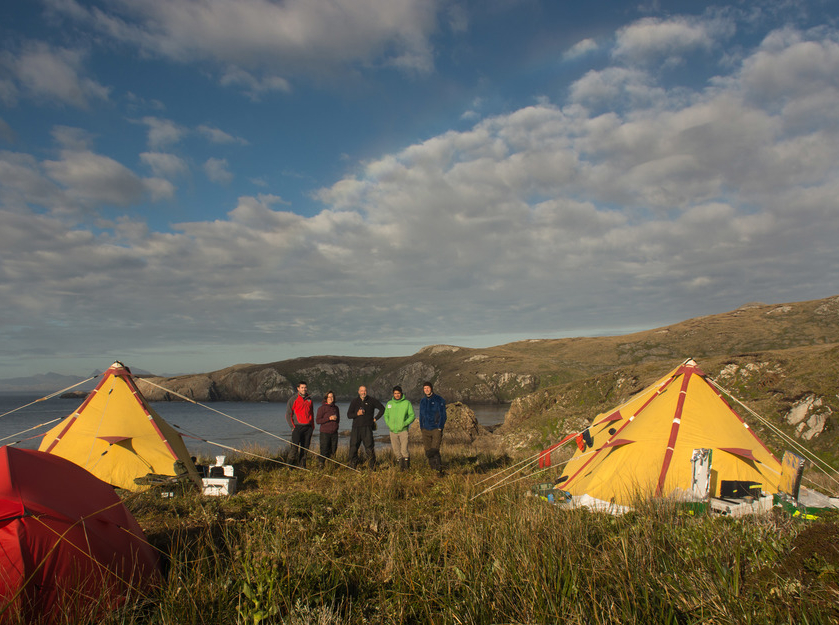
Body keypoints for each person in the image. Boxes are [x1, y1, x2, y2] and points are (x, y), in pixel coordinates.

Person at [346, 385, 385, 469]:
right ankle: (352, 466)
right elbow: (349, 415)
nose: (363, 392)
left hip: (367, 428)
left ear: (366, 391)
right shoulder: (354, 401)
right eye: (361, 391)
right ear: (358, 392)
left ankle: (372, 467)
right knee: (353, 447)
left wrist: (375, 419)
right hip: (356, 428)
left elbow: (382, 409)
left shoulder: (372, 400)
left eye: (365, 391)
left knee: (369, 448)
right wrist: (357, 414)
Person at [382, 385, 415, 470]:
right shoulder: (389, 403)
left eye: (398, 393)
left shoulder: (407, 403)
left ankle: (407, 469)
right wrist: (389, 424)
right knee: (396, 451)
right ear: (393, 394)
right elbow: (386, 415)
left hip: (403, 431)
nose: (397, 395)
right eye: (395, 393)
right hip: (392, 431)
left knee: (404, 450)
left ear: (401, 393)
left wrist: (405, 423)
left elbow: (412, 415)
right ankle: (401, 469)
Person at [419, 381, 447, 474]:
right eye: (424, 388)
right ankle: (433, 470)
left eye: (428, 388)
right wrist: (421, 427)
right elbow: (420, 415)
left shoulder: (439, 399)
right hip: (425, 429)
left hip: (435, 428)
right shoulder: (422, 401)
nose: (426, 390)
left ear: (431, 388)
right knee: (427, 451)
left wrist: (440, 427)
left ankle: (439, 470)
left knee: (434, 450)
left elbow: (443, 415)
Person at [285, 381, 314, 468]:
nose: (304, 389)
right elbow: (288, 414)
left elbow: (311, 413)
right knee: (294, 448)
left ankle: (302, 466)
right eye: (302, 387)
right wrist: (292, 427)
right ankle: (289, 466)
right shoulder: (293, 399)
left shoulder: (309, 399)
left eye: (305, 387)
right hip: (297, 427)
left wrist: (312, 427)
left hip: (308, 428)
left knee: (305, 449)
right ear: (298, 389)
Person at [315, 390, 340, 469]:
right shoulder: (321, 408)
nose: (331, 398)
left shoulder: (336, 408)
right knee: (324, 450)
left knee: (333, 450)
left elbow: (338, 419)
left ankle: (330, 466)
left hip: (334, 433)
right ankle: (321, 465)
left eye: (332, 397)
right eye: (329, 397)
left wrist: (336, 425)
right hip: (325, 432)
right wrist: (329, 418)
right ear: (326, 398)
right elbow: (318, 421)